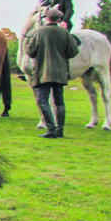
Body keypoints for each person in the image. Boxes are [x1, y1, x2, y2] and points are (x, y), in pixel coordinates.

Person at [26, 7, 79, 138]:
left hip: (44, 72)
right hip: (61, 72)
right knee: (59, 101)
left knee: (43, 99)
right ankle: (60, 129)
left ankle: (51, 129)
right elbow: (73, 52)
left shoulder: (39, 32)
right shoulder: (65, 33)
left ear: (47, 18)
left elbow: (30, 52)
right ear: (59, 19)